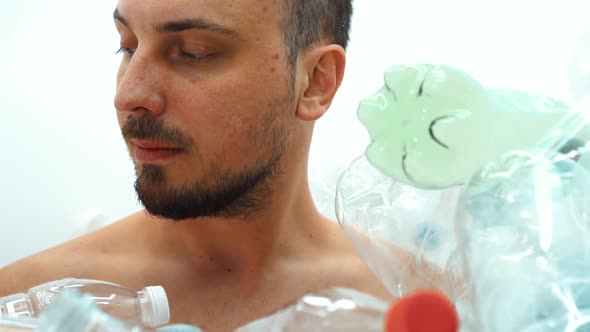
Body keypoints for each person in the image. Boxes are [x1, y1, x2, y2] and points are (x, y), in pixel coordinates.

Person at [0, 0, 392, 330]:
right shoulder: (29, 305)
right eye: (128, 46)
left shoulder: (403, 301)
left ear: (314, 82)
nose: (128, 95)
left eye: (194, 52)